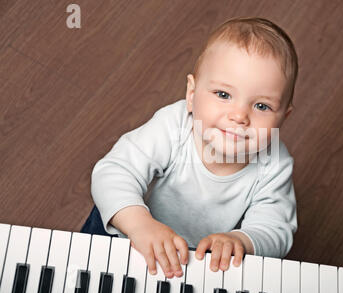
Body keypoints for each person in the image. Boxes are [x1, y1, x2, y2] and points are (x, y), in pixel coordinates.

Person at [83, 17, 299, 279]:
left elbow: (276, 228)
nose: (239, 116)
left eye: (262, 106)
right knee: (85, 274)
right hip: (130, 228)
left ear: (283, 118)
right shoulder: (174, 127)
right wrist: (140, 224)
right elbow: (114, 172)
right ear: (191, 94)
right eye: (223, 95)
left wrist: (242, 241)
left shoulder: (274, 163)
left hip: (197, 258)